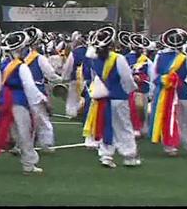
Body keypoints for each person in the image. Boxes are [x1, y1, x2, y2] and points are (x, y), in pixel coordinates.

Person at [0, 31, 47, 175]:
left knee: (0, 129)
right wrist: (42, 100)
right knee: (25, 133)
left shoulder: (4, 65)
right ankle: (29, 165)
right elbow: (29, 86)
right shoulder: (20, 66)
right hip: (19, 100)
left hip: (4, 99)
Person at [83, 26, 141, 168]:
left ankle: (106, 155)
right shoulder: (118, 58)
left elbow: (93, 78)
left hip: (102, 98)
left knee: (105, 125)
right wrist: (131, 90)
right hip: (118, 96)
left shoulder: (94, 59)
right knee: (124, 126)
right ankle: (129, 156)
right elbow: (126, 78)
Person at [148, 27, 187, 156]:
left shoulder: (159, 57)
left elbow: (154, 76)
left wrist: (154, 90)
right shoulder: (185, 58)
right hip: (180, 92)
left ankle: (170, 146)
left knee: (169, 118)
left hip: (165, 93)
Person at [22, 27, 63, 152]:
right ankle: (46, 143)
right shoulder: (39, 58)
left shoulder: (15, 57)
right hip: (36, 90)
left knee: (23, 118)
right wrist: (61, 79)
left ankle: (22, 143)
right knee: (42, 119)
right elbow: (50, 74)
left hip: (20, 90)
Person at [125, 33, 153, 138]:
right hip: (133, 88)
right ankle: (140, 128)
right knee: (137, 109)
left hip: (140, 87)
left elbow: (151, 75)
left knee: (138, 109)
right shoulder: (126, 58)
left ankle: (139, 128)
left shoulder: (145, 60)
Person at [62, 31, 93, 122]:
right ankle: (83, 111)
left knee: (73, 96)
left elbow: (69, 66)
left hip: (76, 77)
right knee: (85, 96)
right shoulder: (89, 51)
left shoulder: (74, 53)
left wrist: (64, 77)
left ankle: (72, 112)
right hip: (87, 78)